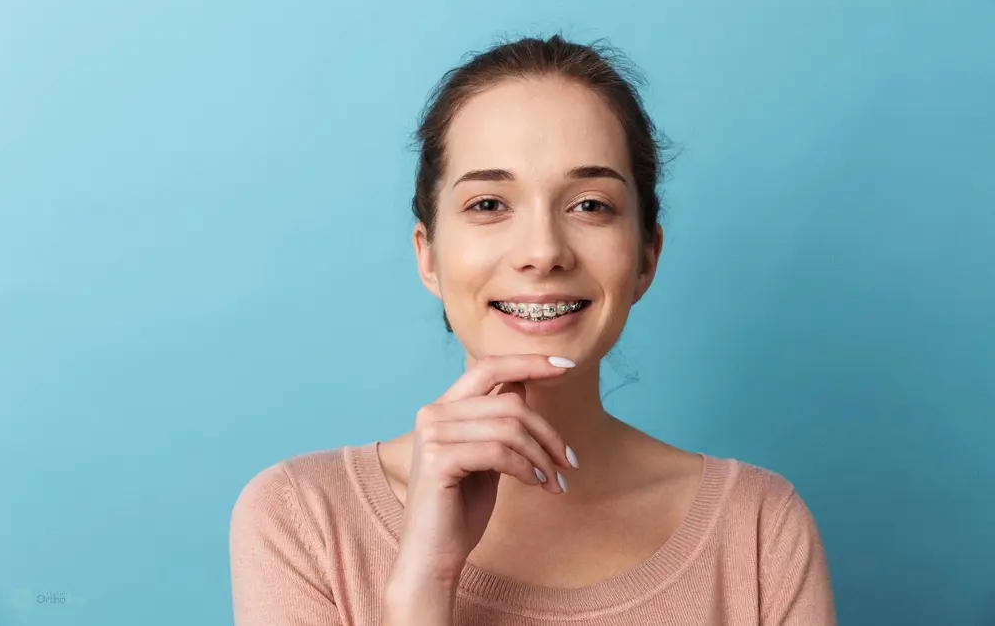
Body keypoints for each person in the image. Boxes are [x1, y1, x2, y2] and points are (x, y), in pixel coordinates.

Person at [228, 33, 837, 625]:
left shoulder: (758, 529)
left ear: (647, 256)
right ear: (429, 256)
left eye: (590, 205)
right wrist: (424, 582)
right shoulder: (302, 518)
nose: (542, 252)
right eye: (489, 205)